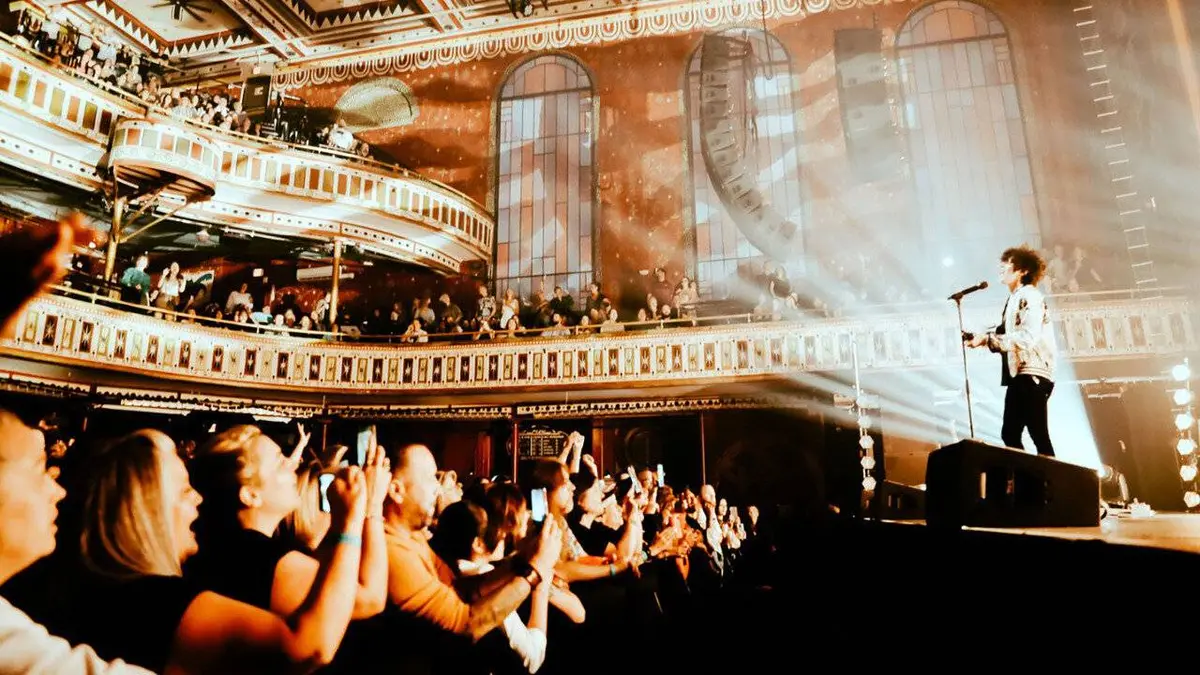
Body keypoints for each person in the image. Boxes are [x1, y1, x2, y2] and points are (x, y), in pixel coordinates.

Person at [965, 245, 1057, 457]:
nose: (1001, 270)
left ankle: (1050, 484)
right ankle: (1027, 481)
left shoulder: (1029, 296)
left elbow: (1027, 337)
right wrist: (981, 339)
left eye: (1007, 266)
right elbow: (1007, 334)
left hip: (1032, 372)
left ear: (1023, 271)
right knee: (1011, 434)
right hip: (1021, 374)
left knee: (1036, 434)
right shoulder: (1016, 298)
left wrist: (988, 339)